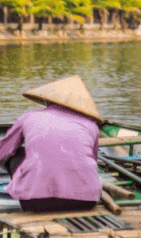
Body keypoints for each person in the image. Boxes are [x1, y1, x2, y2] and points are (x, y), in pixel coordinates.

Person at [0, 75, 103, 212]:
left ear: (48, 100)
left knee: (17, 153)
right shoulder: (91, 126)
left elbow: (3, 151)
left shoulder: (28, 117)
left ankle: (26, 186)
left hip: (35, 202)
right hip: (85, 202)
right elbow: (93, 160)